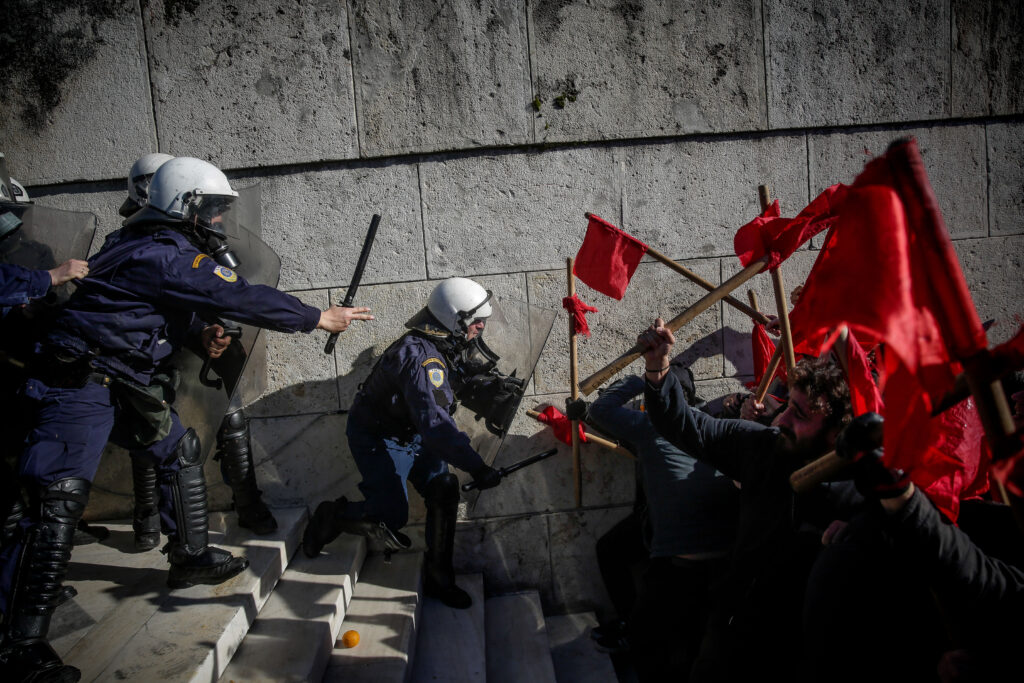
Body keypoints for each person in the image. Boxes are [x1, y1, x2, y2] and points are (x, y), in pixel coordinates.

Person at [0, 156, 372, 682]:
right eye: (213, 209)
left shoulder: (146, 244)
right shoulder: (162, 251)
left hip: (122, 376)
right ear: (184, 206)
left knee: (177, 450)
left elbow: (156, 304)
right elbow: (235, 293)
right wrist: (317, 317)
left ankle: (191, 555)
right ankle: (18, 647)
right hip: (79, 382)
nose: (220, 220)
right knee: (55, 501)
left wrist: (199, 334)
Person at [638, 317, 858, 682]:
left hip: (809, 642)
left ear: (836, 434)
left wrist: (859, 529)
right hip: (737, 620)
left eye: (799, 414)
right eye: (787, 406)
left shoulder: (859, 486)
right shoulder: (762, 445)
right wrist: (658, 367)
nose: (782, 419)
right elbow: (688, 426)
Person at [302, 277, 503, 609]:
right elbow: (437, 425)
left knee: (444, 487)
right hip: (379, 436)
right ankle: (332, 517)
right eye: (475, 320)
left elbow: (452, 386)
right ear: (453, 319)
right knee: (390, 515)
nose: (481, 326)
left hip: (412, 431)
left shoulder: (444, 341)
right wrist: (478, 468)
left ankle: (440, 578)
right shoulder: (423, 358)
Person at [116, 153, 277, 551]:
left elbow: (228, 282)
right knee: (150, 431)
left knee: (232, 419)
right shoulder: (130, 237)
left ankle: (248, 502)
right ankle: (147, 516)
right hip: (154, 347)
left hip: (206, 340)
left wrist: (225, 324)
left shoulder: (196, 223)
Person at [580, 367, 740, 680]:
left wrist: (647, 373)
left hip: (681, 555)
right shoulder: (709, 425)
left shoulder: (661, 425)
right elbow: (614, 425)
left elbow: (605, 412)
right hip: (693, 550)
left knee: (662, 641)